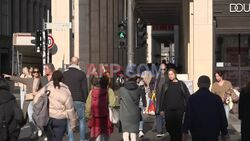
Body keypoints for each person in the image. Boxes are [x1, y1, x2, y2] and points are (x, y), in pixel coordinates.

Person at [34, 70, 78, 141]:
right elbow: (70, 109)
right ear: (62, 79)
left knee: (50, 138)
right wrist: (73, 124)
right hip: (60, 120)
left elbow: (36, 98)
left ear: (52, 78)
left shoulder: (47, 87)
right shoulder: (66, 91)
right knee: (58, 139)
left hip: (47, 117)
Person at [183, 75, 229, 141]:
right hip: (212, 132)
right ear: (209, 84)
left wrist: (185, 130)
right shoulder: (216, 99)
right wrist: (224, 132)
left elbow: (188, 116)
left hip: (197, 132)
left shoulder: (192, 98)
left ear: (198, 84)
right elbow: (222, 117)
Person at [4, 67, 42, 138]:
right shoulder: (29, 80)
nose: (36, 73)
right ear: (32, 73)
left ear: (39, 73)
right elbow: (19, 79)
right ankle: (34, 131)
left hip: (37, 101)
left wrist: (38, 93)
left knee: (37, 117)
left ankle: (39, 129)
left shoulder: (41, 80)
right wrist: (9, 77)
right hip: (29, 101)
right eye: (34, 72)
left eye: (37, 72)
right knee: (30, 116)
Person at [159, 68, 190, 141]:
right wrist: (161, 109)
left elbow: (187, 95)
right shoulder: (166, 84)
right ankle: (173, 137)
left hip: (179, 110)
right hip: (168, 110)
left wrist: (188, 107)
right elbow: (162, 97)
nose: (170, 76)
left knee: (178, 127)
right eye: (169, 74)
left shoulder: (181, 84)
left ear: (175, 74)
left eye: (172, 74)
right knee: (169, 127)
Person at [63, 57, 88, 141]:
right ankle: (82, 139)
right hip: (80, 99)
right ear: (78, 63)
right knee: (81, 120)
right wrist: (85, 100)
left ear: (70, 62)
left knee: (69, 121)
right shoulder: (82, 74)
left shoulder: (65, 74)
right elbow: (84, 88)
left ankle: (71, 139)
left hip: (68, 100)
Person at [85, 75, 116, 141]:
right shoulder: (109, 91)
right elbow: (113, 104)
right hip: (106, 118)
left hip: (95, 118)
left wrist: (88, 115)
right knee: (106, 136)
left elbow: (88, 105)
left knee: (97, 137)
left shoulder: (92, 92)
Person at [119, 68, 145, 141]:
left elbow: (118, 102)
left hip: (124, 115)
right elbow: (142, 100)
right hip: (135, 114)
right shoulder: (139, 89)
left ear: (126, 78)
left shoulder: (122, 89)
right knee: (133, 134)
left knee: (125, 133)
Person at [154, 63, 168, 137]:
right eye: (161, 69)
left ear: (166, 69)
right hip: (158, 98)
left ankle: (162, 129)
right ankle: (159, 131)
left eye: (164, 69)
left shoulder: (168, 77)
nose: (162, 70)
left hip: (165, 98)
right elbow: (154, 86)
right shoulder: (157, 76)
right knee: (158, 114)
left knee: (164, 115)